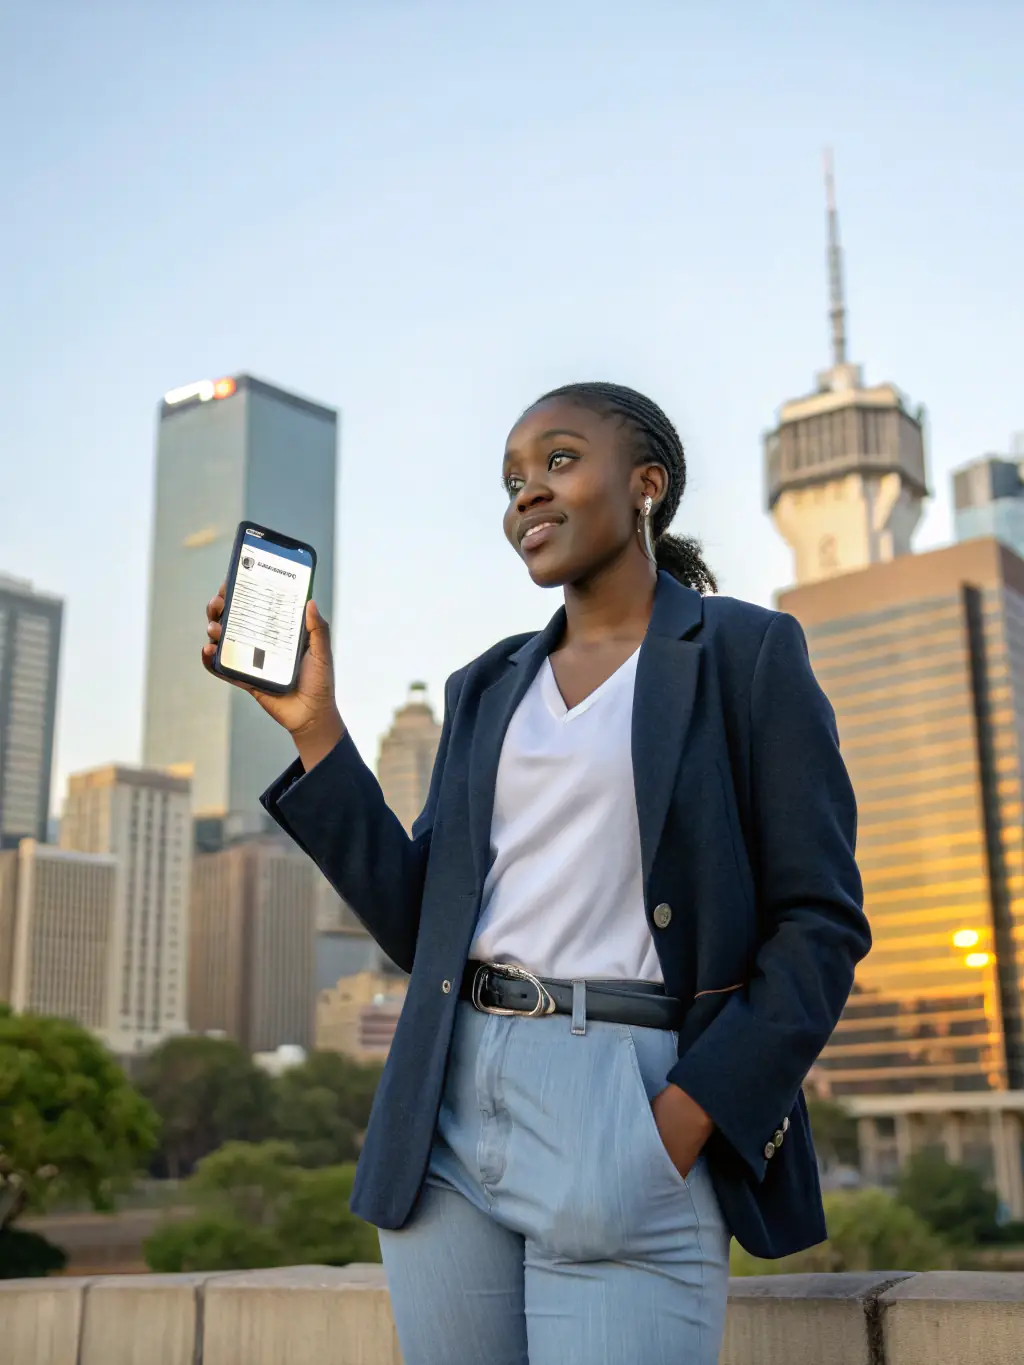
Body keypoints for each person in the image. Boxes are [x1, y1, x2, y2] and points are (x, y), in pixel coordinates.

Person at [202, 381, 869, 1365]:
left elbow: (819, 923)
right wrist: (316, 730)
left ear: (646, 483)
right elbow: (423, 917)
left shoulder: (744, 653)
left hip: (628, 1092)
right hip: (448, 1103)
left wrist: (679, 1124)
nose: (526, 495)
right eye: (512, 479)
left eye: (558, 461)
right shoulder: (488, 684)